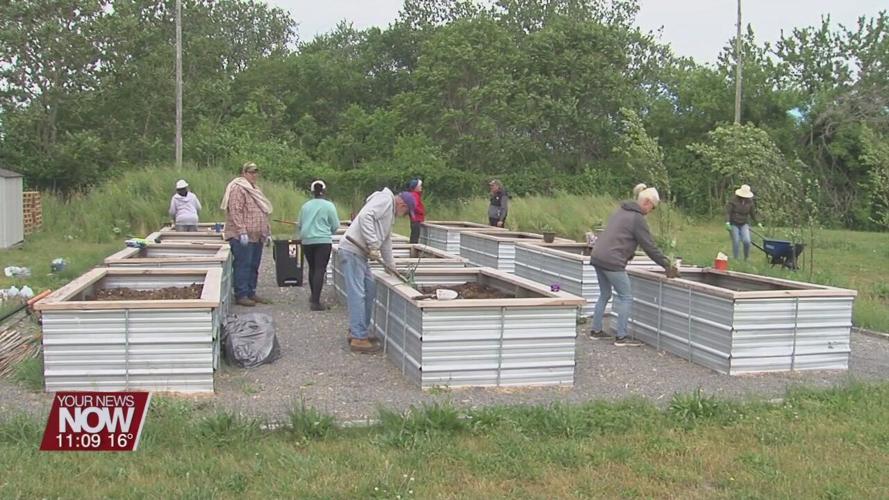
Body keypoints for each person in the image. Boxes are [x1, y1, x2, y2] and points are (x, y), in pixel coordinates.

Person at [588, 187, 679, 346]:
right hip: (612, 260)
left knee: (605, 294)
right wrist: (667, 265)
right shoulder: (637, 218)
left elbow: (618, 237)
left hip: (597, 256)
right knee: (626, 297)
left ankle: (595, 331)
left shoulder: (621, 211)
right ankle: (621, 337)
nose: (651, 211)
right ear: (647, 202)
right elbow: (649, 246)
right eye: (653, 207)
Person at [338, 188, 412, 353]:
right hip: (352, 251)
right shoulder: (385, 200)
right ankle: (358, 337)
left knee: (370, 289)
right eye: (406, 212)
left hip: (360, 255)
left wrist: (391, 267)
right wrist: (372, 244)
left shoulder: (389, 213)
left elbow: (385, 241)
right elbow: (365, 217)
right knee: (358, 294)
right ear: (402, 204)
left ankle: (360, 329)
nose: (405, 216)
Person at [221, 162, 273, 307]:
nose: (254, 175)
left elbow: (263, 212)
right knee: (243, 264)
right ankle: (241, 294)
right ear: (244, 173)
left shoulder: (255, 189)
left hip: (257, 235)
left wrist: (267, 231)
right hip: (242, 236)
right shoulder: (238, 188)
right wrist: (242, 231)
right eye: (251, 172)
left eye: (256, 172)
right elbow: (235, 211)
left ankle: (251, 291)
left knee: (253, 265)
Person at [298, 180, 339, 311]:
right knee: (320, 269)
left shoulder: (305, 206)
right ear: (324, 191)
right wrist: (328, 232)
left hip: (307, 240)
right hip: (323, 240)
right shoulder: (329, 206)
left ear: (312, 192)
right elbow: (335, 225)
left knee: (312, 268)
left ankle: (313, 295)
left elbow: (300, 224)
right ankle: (316, 302)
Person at [725, 184, 757, 261]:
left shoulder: (750, 202)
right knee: (736, 241)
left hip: (744, 223)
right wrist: (727, 222)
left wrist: (758, 222)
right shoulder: (733, 201)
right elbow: (728, 212)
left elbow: (753, 213)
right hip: (734, 223)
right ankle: (735, 258)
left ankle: (746, 257)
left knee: (747, 241)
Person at [406, 178, 426, 244]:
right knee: (415, 236)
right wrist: (421, 211)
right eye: (420, 186)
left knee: (414, 235)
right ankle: (413, 250)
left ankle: (412, 247)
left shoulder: (414, 195)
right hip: (416, 219)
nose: (421, 187)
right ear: (415, 187)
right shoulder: (414, 195)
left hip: (415, 219)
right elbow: (414, 206)